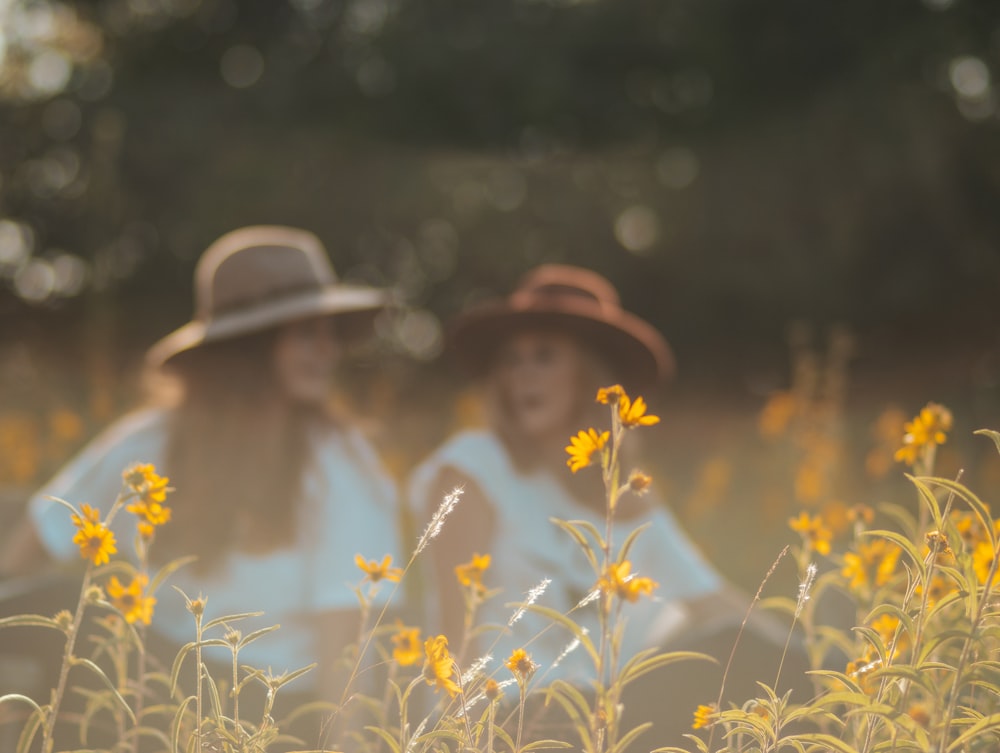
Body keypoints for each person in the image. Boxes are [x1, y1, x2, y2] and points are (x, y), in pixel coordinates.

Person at [0, 226, 401, 725]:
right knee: (72, 616)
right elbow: (43, 532)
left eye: (329, 334)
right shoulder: (153, 439)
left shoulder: (340, 461)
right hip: (150, 683)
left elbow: (347, 642)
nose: (328, 351)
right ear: (249, 346)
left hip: (264, 710)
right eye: (305, 334)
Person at [409, 264, 796, 745]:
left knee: (757, 660)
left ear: (589, 375)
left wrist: (810, 659)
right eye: (511, 359)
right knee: (721, 663)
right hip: (509, 718)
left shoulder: (622, 497)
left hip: (605, 714)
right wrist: (457, 736)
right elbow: (454, 626)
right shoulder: (474, 467)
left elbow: (713, 601)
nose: (523, 375)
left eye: (545, 357)